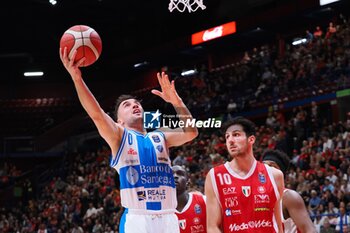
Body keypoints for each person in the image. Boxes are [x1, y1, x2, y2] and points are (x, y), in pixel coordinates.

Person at [59, 48, 198, 233]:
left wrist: (178, 102)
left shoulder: (160, 136)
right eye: (127, 105)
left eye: (137, 103)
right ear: (119, 121)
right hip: (139, 219)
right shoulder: (119, 136)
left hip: (169, 218)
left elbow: (191, 132)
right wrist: (77, 79)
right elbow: (97, 114)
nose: (134, 105)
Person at [205, 116, 284, 233]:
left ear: (251, 139)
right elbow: (212, 227)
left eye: (236, 135)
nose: (230, 140)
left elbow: (277, 222)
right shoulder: (215, 176)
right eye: (227, 137)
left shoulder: (275, 175)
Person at [262, 149, 316, 233]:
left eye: (272, 166)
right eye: (264, 166)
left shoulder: (288, 197)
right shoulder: (255, 200)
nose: (267, 169)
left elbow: (310, 231)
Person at [173, 165, 207, 233]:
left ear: (188, 182)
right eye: (170, 174)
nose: (175, 176)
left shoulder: (204, 201)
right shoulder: (160, 210)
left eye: (180, 174)